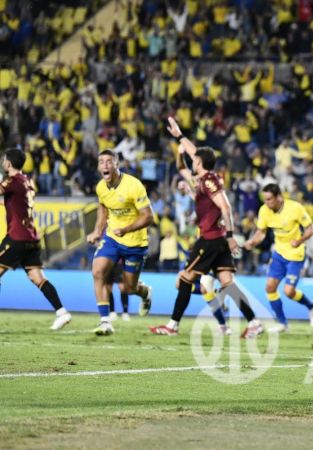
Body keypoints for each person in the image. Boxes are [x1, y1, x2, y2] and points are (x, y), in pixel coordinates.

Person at [150, 118, 263, 337]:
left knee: (185, 278)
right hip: (217, 239)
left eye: (195, 159)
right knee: (227, 283)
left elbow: (226, 207)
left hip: (211, 239)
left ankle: (172, 326)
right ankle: (254, 323)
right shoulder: (202, 180)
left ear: (199, 162)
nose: (193, 160)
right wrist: (179, 137)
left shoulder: (210, 180)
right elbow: (186, 164)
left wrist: (231, 236)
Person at [0, 148, 72, 330]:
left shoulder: (12, 181)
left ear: (8, 163)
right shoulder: (27, 181)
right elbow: (16, 202)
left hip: (17, 237)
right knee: (37, 277)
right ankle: (62, 312)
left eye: (4, 160)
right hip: (32, 238)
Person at [86, 150, 154, 336]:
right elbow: (103, 208)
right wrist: (97, 231)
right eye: (101, 162)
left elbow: (149, 217)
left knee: (128, 288)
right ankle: (105, 322)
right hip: (113, 239)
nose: (105, 165)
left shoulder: (133, 185)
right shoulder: (101, 187)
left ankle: (145, 293)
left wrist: (126, 229)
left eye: (109, 161)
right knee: (97, 271)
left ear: (117, 165)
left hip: (135, 243)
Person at [244, 183, 313, 333]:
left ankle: (312, 306)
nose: (266, 203)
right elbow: (261, 233)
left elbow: (311, 228)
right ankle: (282, 323)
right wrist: (252, 242)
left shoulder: (295, 208)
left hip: (296, 254)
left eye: (269, 199)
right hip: (279, 253)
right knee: (270, 287)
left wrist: (299, 241)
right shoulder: (264, 211)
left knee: (289, 291)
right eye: (264, 199)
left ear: (279, 197)